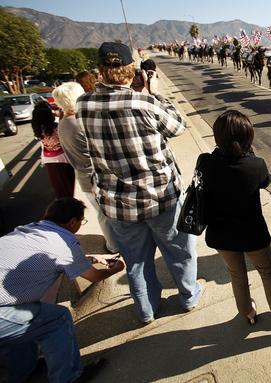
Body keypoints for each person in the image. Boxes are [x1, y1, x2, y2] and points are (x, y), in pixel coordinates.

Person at [76, 42, 204, 324]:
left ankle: (147, 310)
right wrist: (155, 92)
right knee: (180, 252)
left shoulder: (82, 105)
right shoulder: (143, 102)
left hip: (117, 204)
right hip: (160, 198)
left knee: (137, 261)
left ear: (100, 70)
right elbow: (178, 126)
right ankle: (188, 297)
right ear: (131, 70)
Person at [0, 198, 125, 383]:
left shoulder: (29, 231)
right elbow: (94, 277)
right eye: (81, 221)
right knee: (57, 318)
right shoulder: (64, 242)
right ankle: (67, 378)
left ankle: (25, 370)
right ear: (72, 222)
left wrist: (90, 258)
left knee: (27, 322)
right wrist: (117, 268)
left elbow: (56, 258)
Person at [202, 110, 271, 328]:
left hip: (221, 234)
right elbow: (264, 182)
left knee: (237, 276)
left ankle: (247, 312)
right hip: (253, 233)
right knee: (268, 273)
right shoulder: (255, 165)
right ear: (248, 137)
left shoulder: (205, 163)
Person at [53, 82, 119, 254]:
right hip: (97, 178)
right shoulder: (80, 123)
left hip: (84, 177)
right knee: (107, 215)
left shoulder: (62, 124)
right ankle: (114, 246)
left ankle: (113, 244)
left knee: (101, 214)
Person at [31, 101, 75, 198]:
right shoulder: (57, 127)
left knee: (59, 185)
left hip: (49, 160)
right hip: (64, 158)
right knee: (70, 184)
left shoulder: (39, 130)